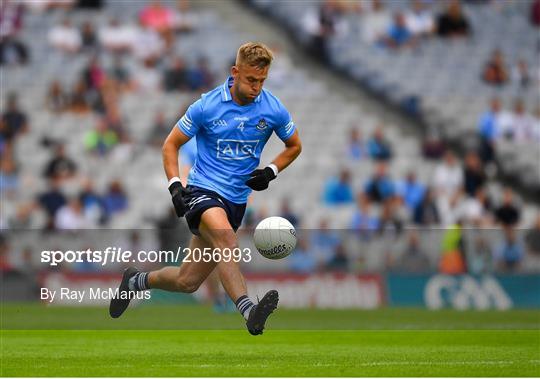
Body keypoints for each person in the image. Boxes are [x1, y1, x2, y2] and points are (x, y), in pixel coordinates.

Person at [109, 43, 302, 336]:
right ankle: (250, 312)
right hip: (202, 192)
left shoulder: (272, 108)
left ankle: (134, 281)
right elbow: (170, 145)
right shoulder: (207, 106)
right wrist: (176, 186)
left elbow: (295, 146)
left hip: (236, 201)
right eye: (251, 80)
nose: (256, 88)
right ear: (235, 72)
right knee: (226, 240)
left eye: (262, 81)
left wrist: (271, 171)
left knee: (187, 282)